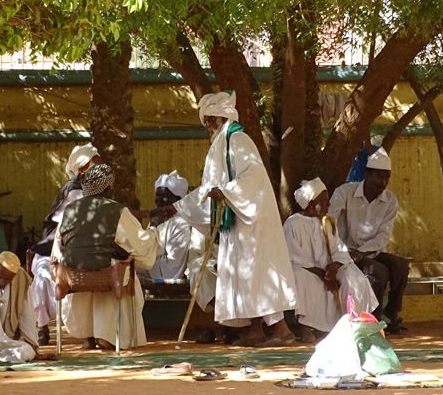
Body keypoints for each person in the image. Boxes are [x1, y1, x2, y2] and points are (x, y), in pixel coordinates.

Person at [164, 91, 297, 347]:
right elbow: (209, 188)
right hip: (238, 222)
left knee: (256, 274)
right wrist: (181, 207)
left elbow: (253, 177)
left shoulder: (238, 139)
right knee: (247, 275)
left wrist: (226, 192)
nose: (207, 128)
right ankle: (256, 331)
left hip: (252, 221)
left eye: (209, 121)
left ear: (218, 118)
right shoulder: (221, 145)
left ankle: (281, 330)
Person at [52, 163, 158, 350]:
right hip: (108, 277)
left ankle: (88, 336)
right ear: (108, 188)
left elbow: (57, 249)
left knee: (86, 268)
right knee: (122, 267)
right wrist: (153, 229)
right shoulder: (117, 211)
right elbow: (139, 245)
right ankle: (107, 336)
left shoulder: (69, 210)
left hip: (72, 277)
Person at [283, 178, 377, 343]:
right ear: (312, 204)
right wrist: (322, 274)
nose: (328, 205)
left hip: (327, 270)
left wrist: (335, 265)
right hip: (308, 271)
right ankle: (305, 327)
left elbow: (338, 249)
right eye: (324, 201)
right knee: (300, 276)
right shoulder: (293, 223)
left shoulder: (327, 223)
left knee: (352, 276)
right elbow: (294, 256)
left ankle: (353, 323)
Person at [328, 147, 410, 334]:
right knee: (378, 272)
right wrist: (344, 253)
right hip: (347, 251)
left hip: (371, 251)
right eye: (379, 177)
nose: (384, 182)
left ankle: (392, 312)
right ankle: (374, 319)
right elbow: (330, 222)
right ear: (367, 173)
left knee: (401, 266)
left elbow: (383, 236)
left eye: (387, 178)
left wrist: (362, 253)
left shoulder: (390, 201)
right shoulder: (345, 193)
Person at [28, 143, 101, 345]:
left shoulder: (99, 190)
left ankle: (89, 332)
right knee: (43, 276)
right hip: (52, 248)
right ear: (81, 170)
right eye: (95, 166)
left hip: (81, 249)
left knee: (94, 277)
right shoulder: (74, 191)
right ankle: (41, 327)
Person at [149, 170, 216, 311]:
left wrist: (146, 259)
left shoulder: (180, 223)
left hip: (162, 273)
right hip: (151, 267)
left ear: (178, 200)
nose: (159, 201)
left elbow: (172, 268)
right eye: (157, 196)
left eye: (165, 197)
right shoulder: (157, 219)